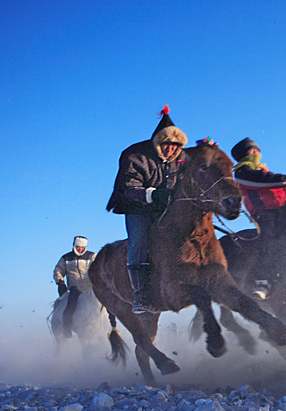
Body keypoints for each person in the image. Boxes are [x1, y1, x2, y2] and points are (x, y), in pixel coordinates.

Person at [107, 105, 188, 313]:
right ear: (157, 142)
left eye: (174, 144)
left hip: (165, 208)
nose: (170, 148)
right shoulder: (136, 155)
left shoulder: (181, 160)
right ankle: (140, 295)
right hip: (138, 208)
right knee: (139, 240)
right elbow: (128, 188)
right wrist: (154, 194)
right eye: (166, 143)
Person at [231, 137, 286, 300]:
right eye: (251, 150)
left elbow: (283, 191)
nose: (256, 153)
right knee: (269, 240)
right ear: (243, 155)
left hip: (282, 212)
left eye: (257, 150)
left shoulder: (265, 171)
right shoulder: (242, 172)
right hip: (263, 213)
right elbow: (263, 182)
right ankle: (263, 281)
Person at [53, 236, 97, 338]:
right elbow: (58, 270)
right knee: (70, 306)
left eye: (82, 247)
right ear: (74, 246)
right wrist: (60, 282)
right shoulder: (66, 258)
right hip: (75, 288)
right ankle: (67, 329)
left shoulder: (92, 256)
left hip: (90, 287)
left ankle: (111, 327)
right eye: (78, 247)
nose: (80, 249)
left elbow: (98, 267)